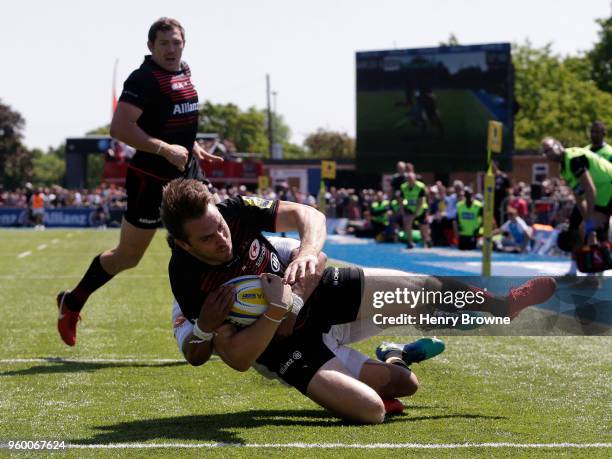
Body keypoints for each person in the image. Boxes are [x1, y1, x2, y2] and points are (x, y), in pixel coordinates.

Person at [161, 179, 556, 424]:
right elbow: (239, 357)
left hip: (319, 294)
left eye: (221, 226)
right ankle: (395, 356)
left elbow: (310, 217)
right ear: (182, 244)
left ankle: (503, 305)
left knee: (423, 289)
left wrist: (305, 255)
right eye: (208, 238)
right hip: (288, 346)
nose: (223, 238)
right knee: (380, 404)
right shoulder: (186, 278)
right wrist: (280, 308)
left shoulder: (234, 211)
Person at [55, 17, 222, 346]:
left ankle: (211, 324)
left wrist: (192, 146)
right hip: (151, 180)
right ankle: (72, 302)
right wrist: (163, 148)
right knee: (128, 257)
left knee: (213, 235)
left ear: (183, 44)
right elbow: (120, 127)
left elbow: (172, 120)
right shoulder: (143, 79)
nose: (171, 49)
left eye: (176, 42)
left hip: (188, 174)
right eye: (164, 44)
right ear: (151, 47)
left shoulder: (184, 70)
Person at [400, 173, 431, 248]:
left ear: (415, 179)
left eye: (411, 179)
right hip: (409, 208)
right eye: (408, 179)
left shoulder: (420, 186)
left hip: (421, 209)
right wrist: (402, 210)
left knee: (423, 227)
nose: (410, 181)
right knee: (407, 222)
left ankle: (426, 241)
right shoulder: (403, 187)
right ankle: (410, 242)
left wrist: (416, 213)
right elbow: (401, 199)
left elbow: (421, 201)